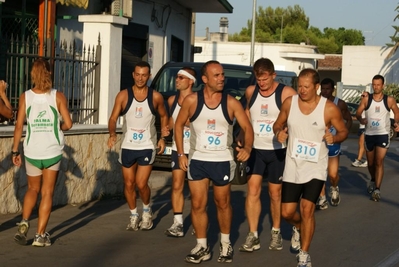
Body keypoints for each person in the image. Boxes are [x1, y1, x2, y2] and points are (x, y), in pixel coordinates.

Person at [174, 60, 253, 264]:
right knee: (198, 204)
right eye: (216, 75)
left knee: (222, 202)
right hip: (198, 158)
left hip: (222, 160)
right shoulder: (191, 100)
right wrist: (181, 154)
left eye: (222, 75)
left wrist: (247, 148)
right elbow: (178, 124)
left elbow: (247, 127)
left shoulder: (231, 102)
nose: (221, 78)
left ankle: (225, 243)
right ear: (205, 79)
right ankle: (202, 245)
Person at [273, 68, 348, 267]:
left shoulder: (329, 108)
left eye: (307, 87)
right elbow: (277, 124)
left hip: (316, 166)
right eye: (300, 86)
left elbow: (343, 131)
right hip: (293, 165)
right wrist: (279, 132)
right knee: (287, 213)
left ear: (316, 87)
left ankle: (304, 255)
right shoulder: (290, 103)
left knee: (307, 210)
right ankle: (298, 227)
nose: (303, 90)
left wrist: (335, 137)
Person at [12, 58, 73, 247]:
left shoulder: (25, 96)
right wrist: (58, 126)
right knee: (47, 192)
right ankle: (40, 236)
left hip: (32, 150)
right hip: (52, 151)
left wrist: (15, 150)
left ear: (33, 74)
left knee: (32, 189)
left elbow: (19, 125)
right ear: (49, 73)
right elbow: (69, 124)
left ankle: (24, 222)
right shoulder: (58, 96)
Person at [238, 58, 296, 253]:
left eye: (265, 79)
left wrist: (286, 130)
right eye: (258, 79)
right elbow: (246, 116)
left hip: (278, 151)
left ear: (273, 75)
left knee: (274, 194)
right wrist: (241, 136)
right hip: (256, 149)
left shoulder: (286, 93)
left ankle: (276, 231)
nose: (261, 83)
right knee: (252, 191)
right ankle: (253, 234)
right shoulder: (251, 92)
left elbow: (298, 117)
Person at [108, 61, 169, 231]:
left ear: (149, 76)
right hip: (128, 145)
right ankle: (134, 214)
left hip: (147, 145)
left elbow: (164, 116)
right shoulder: (123, 96)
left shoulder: (155, 96)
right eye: (138, 74)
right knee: (128, 183)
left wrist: (163, 137)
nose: (140, 78)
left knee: (141, 183)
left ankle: (147, 211)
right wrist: (112, 134)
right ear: (133, 75)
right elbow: (113, 118)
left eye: (144, 75)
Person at [356, 74, 399, 202]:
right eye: (374, 84)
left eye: (378, 85)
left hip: (383, 134)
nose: (376, 87)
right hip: (369, 134)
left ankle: (377, 189)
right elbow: (358, 112)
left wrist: (397, 122)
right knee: (370, 163)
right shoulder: (366, 99)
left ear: (383, 86)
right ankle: (373, 179)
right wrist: (360, 118)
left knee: (379, 161)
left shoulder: (389, 100)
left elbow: (396, 112)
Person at [164, 67, 196, 237]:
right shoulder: (171, 100)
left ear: (191, 81)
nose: (177, 80)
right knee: (177, 184)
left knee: (196, 189)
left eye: (181, 77)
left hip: (197, 150)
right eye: (177, 77)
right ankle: (177, 223)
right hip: (179, 148)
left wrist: (185, 123)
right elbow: (171, 119)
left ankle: (199, 222)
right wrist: (167, 128)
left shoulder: (198, 100)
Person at [316, 78, 352, 210]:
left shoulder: (339, 103)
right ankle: (322, 198)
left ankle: (334, 187)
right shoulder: (315, 101)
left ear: (332, 90)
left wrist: (342, 135)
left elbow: (348, 119)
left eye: (327, 89)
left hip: (334, 142)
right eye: (323, 89)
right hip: (319, 143)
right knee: (319, 172)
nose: (324, 92)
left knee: (332, 174)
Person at [352, 92, 369, 168]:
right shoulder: (361, 105)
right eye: (362, 95)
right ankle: (368, 160)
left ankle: (359, 160)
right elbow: (359, 116)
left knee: (362, 144)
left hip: (366, 128)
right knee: (362, 144)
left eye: (365, 95)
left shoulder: (368, 106)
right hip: (361, 127)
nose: (363, 97)